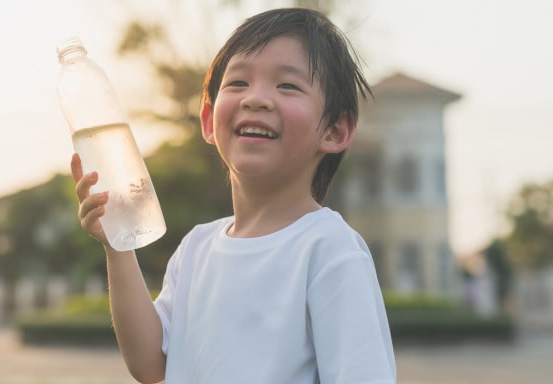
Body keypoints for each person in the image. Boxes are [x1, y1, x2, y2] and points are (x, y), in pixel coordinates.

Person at [70, 7, 396, 384]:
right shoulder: (196, 249)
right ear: (209, 120)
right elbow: (149, 362)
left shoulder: (329, 250)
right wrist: (118, 245)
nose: (256, 99)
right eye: (238, 83)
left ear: (335, 132)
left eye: (287, 85)